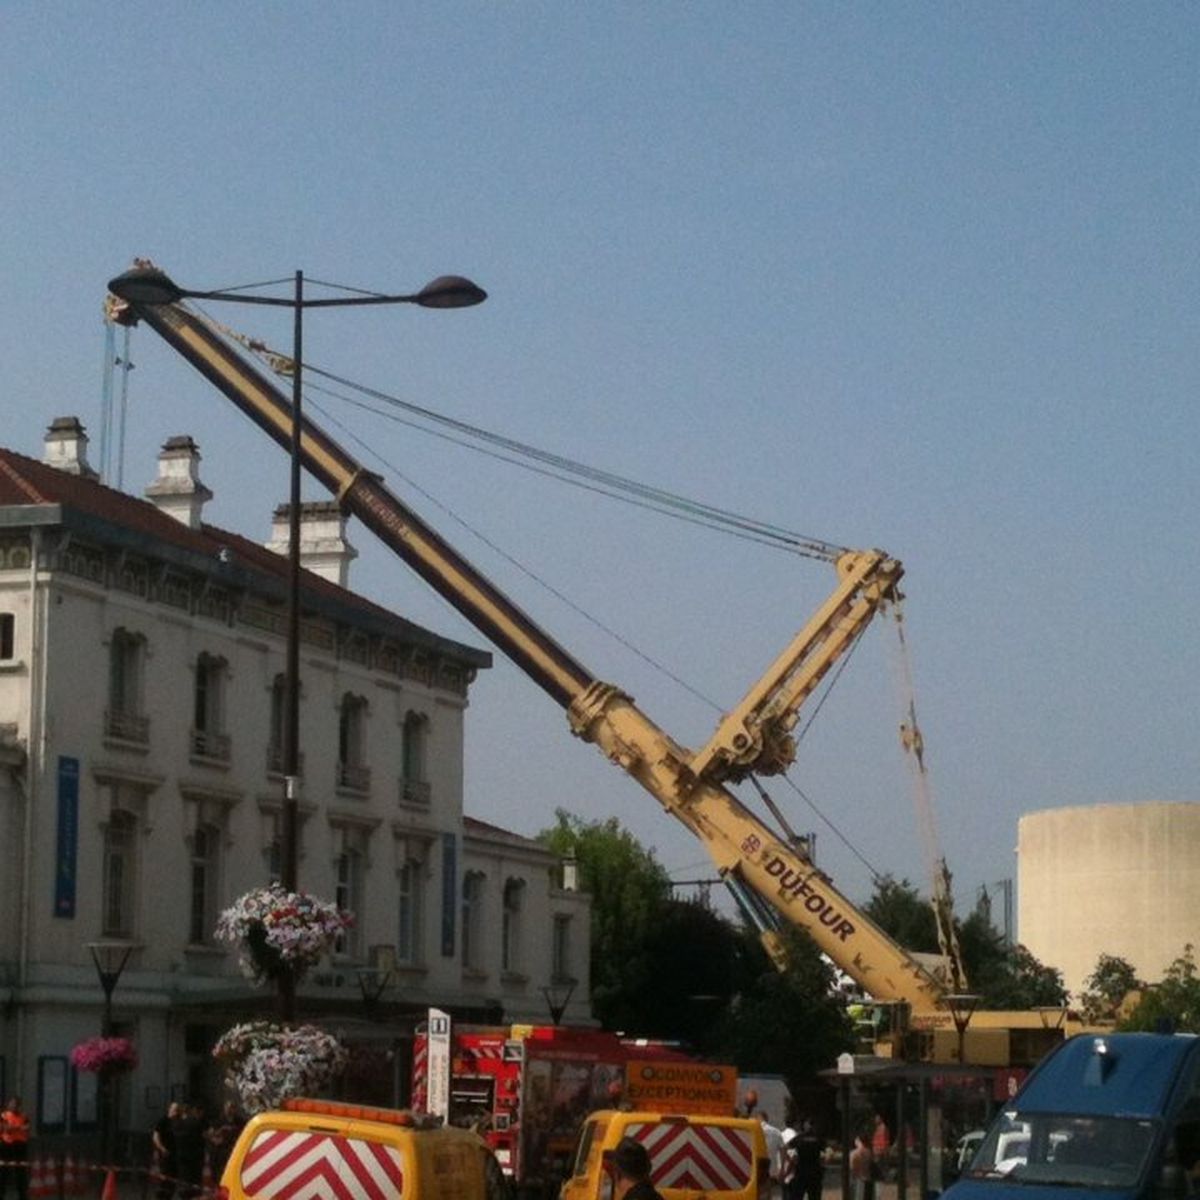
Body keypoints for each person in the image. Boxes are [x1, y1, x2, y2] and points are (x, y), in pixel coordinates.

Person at [204, 1102, 245, 1182]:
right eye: (227, 1108)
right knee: (219, 1173)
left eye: (232, 1108)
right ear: (224, 1108)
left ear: (235, 1109)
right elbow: (209, 1134)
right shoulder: (218, 1121)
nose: (229, 1110)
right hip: (220, 1152)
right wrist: (217, 1138)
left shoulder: (240, 1121)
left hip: (234, 1150)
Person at [786, 1117, 824, 1200]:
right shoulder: (818, 1138)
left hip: (801, 1172)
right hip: (815, 1172)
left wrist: (792, 1161)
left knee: (797, 1196)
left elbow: (787, 1147)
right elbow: (826, 1152)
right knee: (814, 1196)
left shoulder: (799, 1138)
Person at [0, 1097, 31, 1200]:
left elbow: (27, 1128)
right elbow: (4, 1128)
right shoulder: (4, 1116)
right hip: (7, 1145)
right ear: (9, 1105)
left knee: (21, 1173)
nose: (14, 1106)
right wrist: (18, 1128)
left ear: (19, 1106)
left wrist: (13, 1128)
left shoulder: (24, 1116)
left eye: (16, 1104)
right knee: (3, 1171)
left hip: (20, 1146)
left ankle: (22, 1195)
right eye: (12, 1104)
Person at [152, 1102, 180, 1200]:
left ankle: (169, 1197)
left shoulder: (178, 1122)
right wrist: (162, 1148)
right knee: (164, 1178)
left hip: (175, 1155)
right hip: (165, 1155)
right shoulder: (163, 1121)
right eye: (174, 1110)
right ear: (169, 1109)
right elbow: (155, 1137)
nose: (176, 1112)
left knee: (173, 1180)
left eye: (177, 1110)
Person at [758, 1111, 785, 1200]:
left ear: (758, 1118)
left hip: (755, 1168)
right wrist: (782, 1168)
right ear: (767, 1119)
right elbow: (783, 1150)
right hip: (771, 1169)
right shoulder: (776, 1132)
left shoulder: (755, 1129)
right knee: (768, 1193)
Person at [850, 1132, 875, 1200]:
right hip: (868, 1180)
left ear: (859, 1141)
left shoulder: (854, 1153)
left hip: (858, 1181)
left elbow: (852, 1168)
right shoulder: (869, 1152)